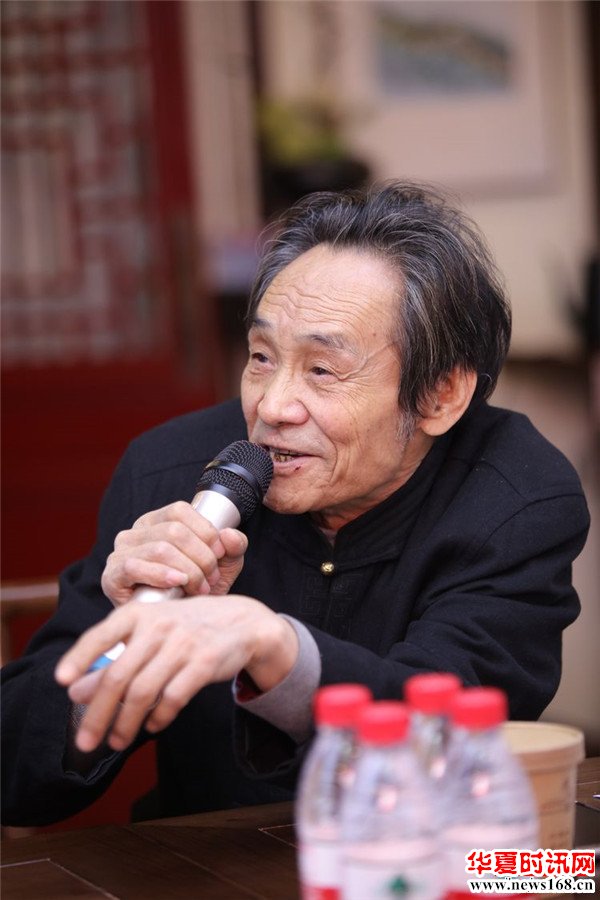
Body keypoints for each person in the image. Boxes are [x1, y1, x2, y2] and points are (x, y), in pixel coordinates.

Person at [1, 182, 589, 826]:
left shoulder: (516, 498)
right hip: (200, 864)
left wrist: (273, 648)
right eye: (261, 357)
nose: (273, 407)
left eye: (322, 370)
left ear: (440, 395)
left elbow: (447, 737)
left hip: (422, 856)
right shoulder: (169, 471)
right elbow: (14, 774)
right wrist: (127, 636)